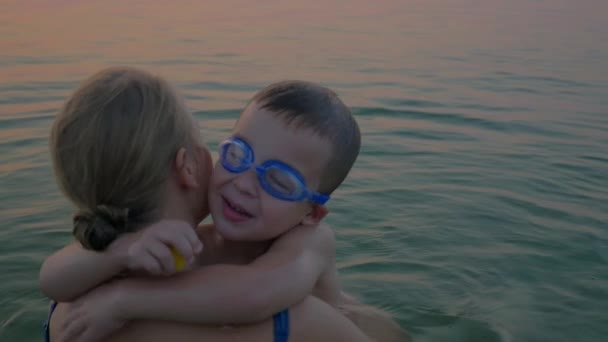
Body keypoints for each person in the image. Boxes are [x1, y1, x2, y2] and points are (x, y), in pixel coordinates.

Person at [41, 66, 372, 342]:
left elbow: (255, 293)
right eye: (238, 154)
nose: (243, 183)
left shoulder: (310, 242)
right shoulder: (190, 245)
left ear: (312, 213)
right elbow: (52, 281)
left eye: (279, 181)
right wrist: (122, 249)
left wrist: (122, 301)